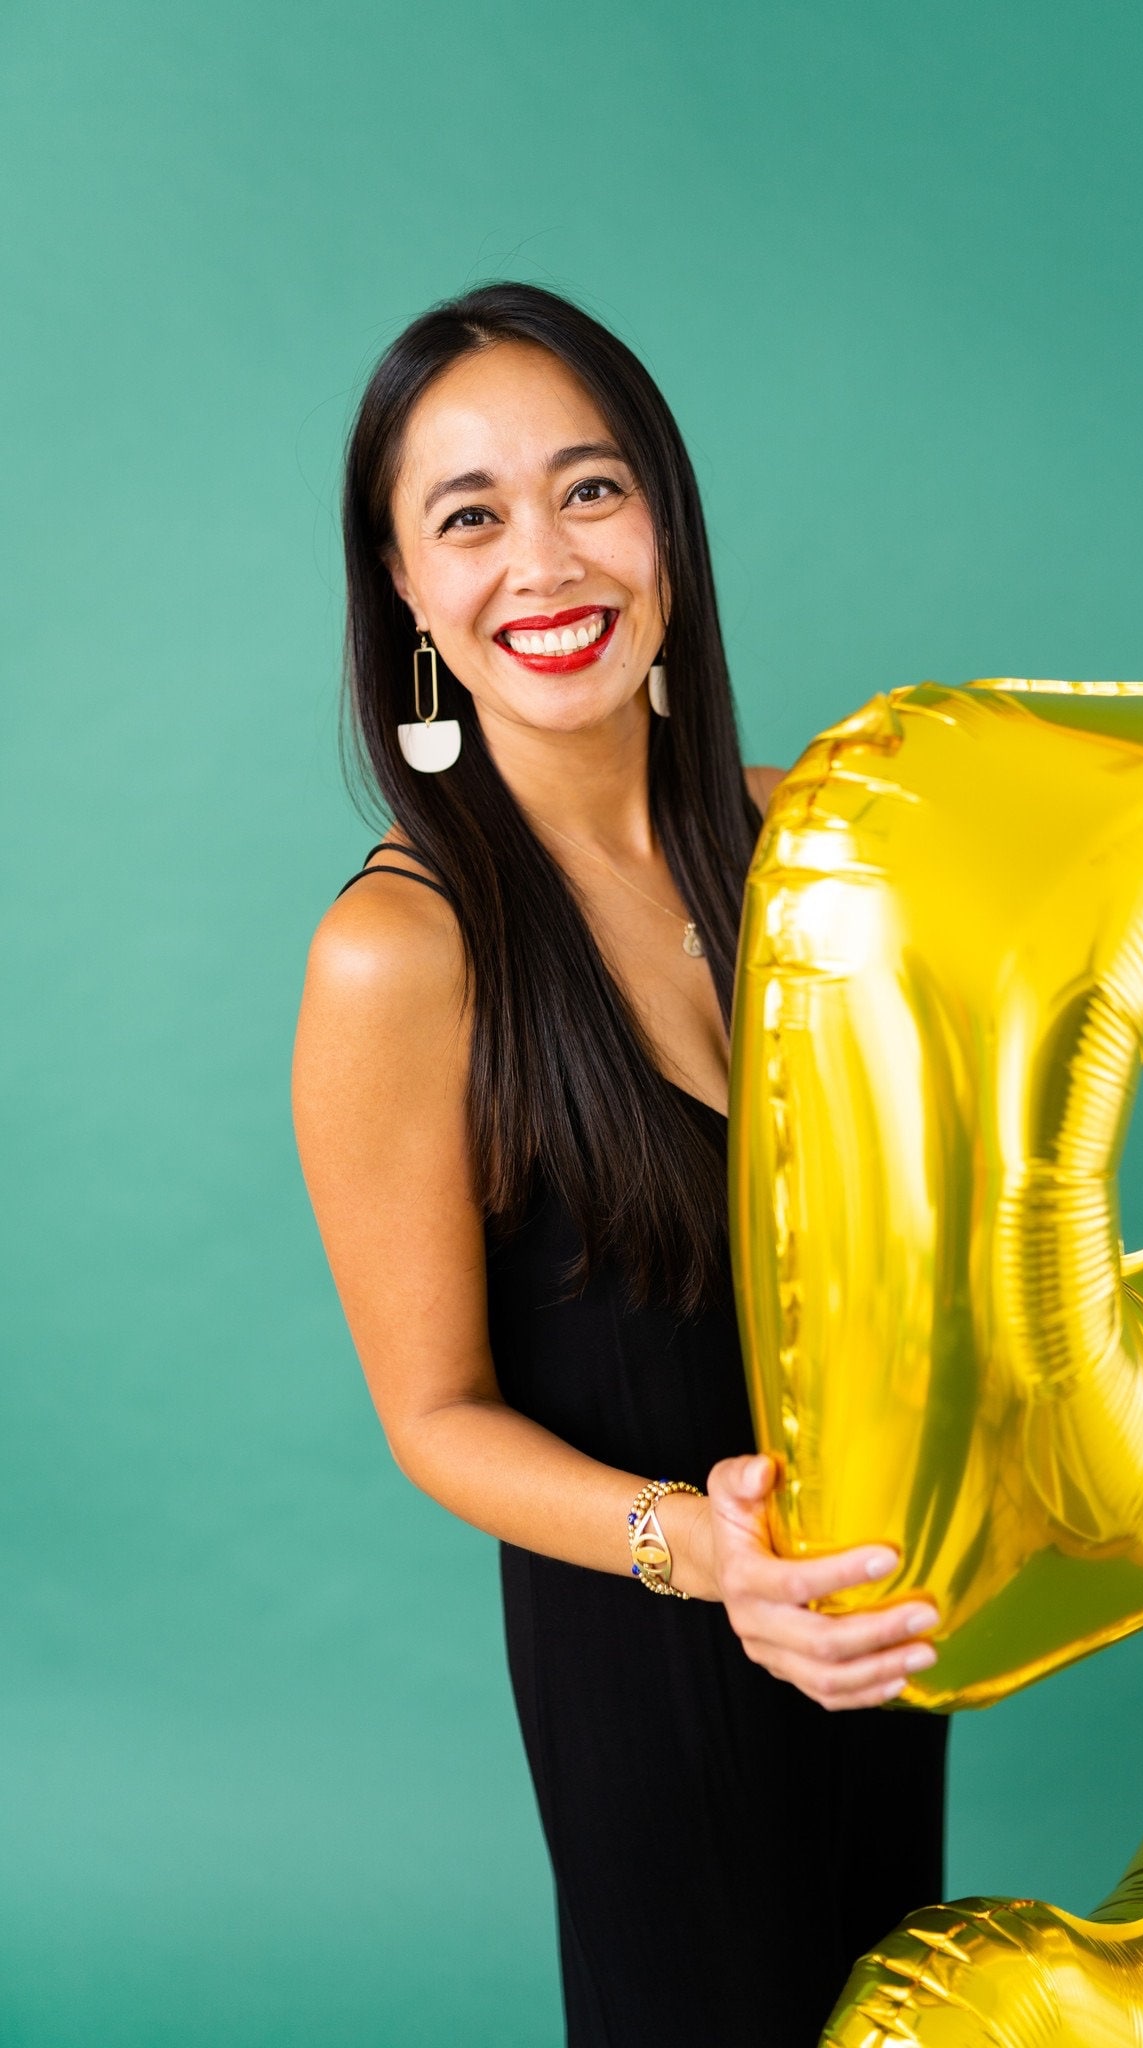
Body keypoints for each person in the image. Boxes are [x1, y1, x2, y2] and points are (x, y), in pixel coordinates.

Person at [292, 282, 946, 2047]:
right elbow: (435, 1415)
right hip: (656, 1663)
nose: (544, 560)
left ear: (666, 523)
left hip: (872, 1633)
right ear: (403, 587)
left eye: (590, 489)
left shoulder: (819, 844)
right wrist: (701, 1555)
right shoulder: (398, 954)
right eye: (468, 517)